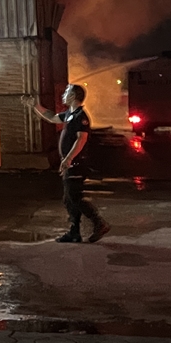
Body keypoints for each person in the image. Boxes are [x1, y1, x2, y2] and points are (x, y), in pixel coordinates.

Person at [25, 84, 111, 243]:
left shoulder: (80, 116)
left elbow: (81, 139)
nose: (63, 94)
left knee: (74, 198)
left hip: (76, 164)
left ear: (73, 96)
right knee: (69, 199)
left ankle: (99, 223)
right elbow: (52, 117)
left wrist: (68, 158)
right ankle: (74, 232)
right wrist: (35, 106)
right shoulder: (70, 114)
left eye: (66, 91)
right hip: (70, 164)